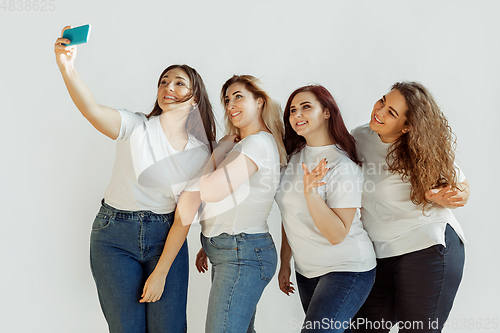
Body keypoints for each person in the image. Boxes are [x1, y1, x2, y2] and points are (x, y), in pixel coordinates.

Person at [54, 26, 216, 333]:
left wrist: (161, 273)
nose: (169, 86)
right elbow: (92, 110)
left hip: (164, 237)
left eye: (179, 83)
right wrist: (68, 67)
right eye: (164, 81)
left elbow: (184, 216)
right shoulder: (136, 125)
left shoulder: (200, 153)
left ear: (194, 98)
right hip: (113, 236)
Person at [349, 82, 470, 333]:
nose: (379, 112)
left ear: (407, 126)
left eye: (391, 112)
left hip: (427, 246)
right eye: (382, 101)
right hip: (380, 254)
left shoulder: (422, 151)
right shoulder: (359, 137)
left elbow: (462, 188)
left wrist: (449, 196)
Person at [275, 85, 376, 333]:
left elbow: (337, 234)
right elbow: (290, 214)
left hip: (347, 268)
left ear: (327, 112)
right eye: (292, 110)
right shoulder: (294, 156)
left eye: (306, 107)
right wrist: (285, 261)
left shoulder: (342, 165)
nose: (297, 114)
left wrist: (310, 193)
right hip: (306, 271)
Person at [193, 75, 286, 333]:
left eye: (238, 96)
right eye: (227, 99)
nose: (230, 104)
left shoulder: (255, 144)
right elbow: (230, 198)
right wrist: (210, 239)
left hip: (241, 253)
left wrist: (218, 150)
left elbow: (209, 191)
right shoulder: (249, 143)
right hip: (233, 249)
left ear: (259, 102)